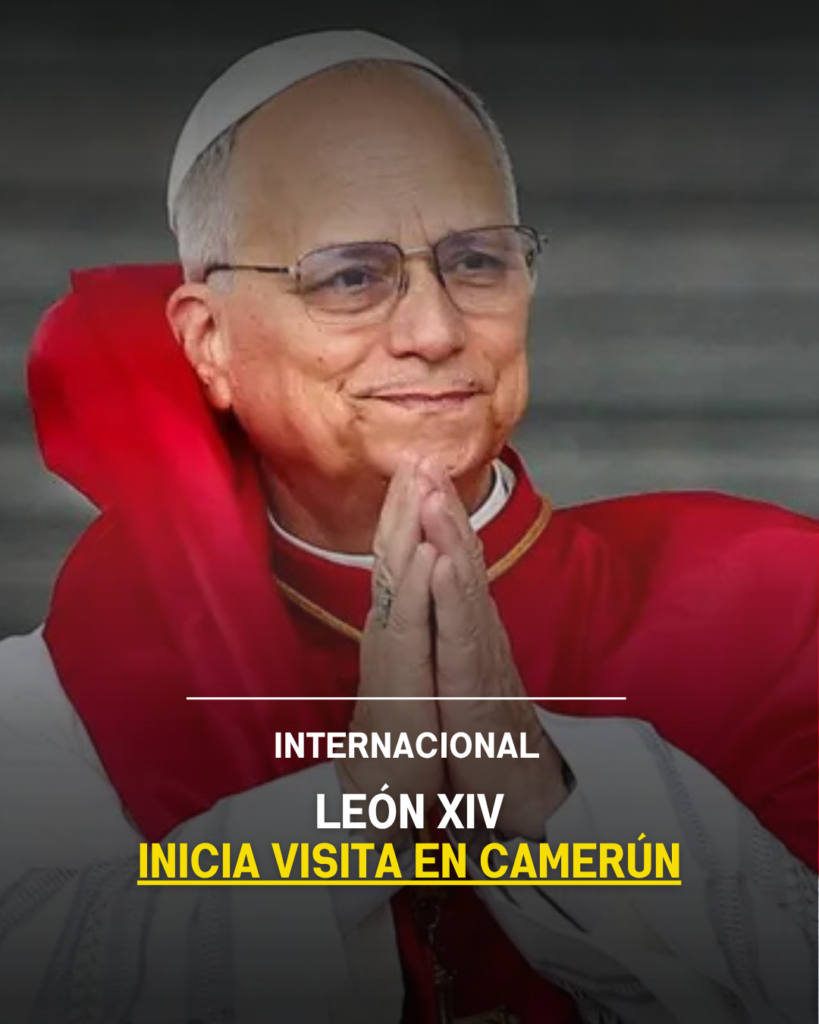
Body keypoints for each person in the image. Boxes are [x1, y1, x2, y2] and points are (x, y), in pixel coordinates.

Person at [0, 27, 815, 1024]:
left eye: (476, 261)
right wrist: (359, 808)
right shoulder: (45, 708)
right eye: (350, 276)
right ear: (209, 343)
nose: (434, 331)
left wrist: (541, 790)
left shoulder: (775, 610)